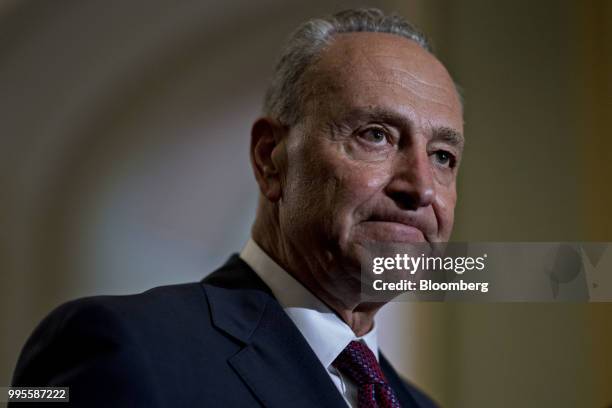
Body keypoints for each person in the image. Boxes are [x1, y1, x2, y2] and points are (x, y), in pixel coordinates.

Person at [11, 8, 463, 408]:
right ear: (270, 158)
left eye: (443, 155)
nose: (422, 188)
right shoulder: (121, 347)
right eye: (376, 135)